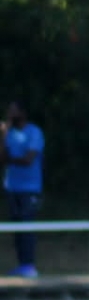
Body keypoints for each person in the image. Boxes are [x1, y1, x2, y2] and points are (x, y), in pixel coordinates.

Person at [5, 100, 45, 278]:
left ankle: (30, 265)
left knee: (27, 224)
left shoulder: (34, 132)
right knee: (17, 227)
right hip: (12, 187)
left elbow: (29, 159)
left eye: (13, 111)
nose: (10, 114)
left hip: (30, 188)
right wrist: (2, 136)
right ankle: (22, 265)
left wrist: (10, 160)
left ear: (22, 113)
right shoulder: (8, 134)